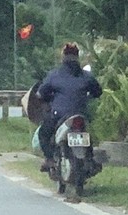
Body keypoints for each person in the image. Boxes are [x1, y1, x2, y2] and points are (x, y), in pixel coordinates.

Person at [35, 42, 101, 172]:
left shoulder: (54, 75)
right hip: (81, 114)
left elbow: (40, 94)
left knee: (43, 133)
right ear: (77, 57)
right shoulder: (87, 76)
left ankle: (49, 159)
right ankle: (90, 159)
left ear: (63, 57)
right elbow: (98, 92)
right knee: (88, 134)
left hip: (59, 115)